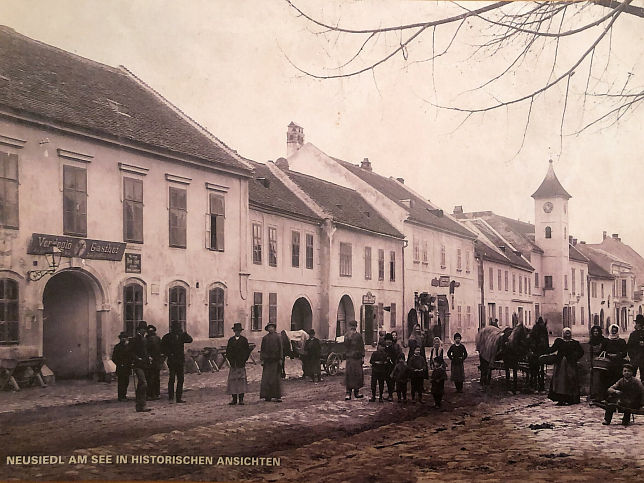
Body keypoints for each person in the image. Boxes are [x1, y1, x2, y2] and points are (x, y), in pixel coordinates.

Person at [544, 327, 584, 405]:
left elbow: (581, 352)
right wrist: (544, 348)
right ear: (563, 333)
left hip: (571, 364)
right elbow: (552, 349)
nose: (567, 334)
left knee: (571, 380)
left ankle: (571, 399)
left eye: (569, 332)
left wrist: (574, 357)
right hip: (561, 365)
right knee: (560, 382)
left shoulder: (574, 343)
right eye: (566, 332)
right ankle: (561, 399)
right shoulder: (559, 342)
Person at [161, 320, 193, 403]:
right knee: (172, 379)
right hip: (172, 361)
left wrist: (185, 333)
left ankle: (179, 398)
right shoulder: (167, 337)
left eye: (179, 328)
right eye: (177, 328)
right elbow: (163, 348)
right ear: (172, 329)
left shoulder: (182, 336)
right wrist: (169, 354)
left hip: (180, 360)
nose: (178, 329)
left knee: (181, 379)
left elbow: (190, 340)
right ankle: (171, 397)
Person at [226, 322, 251, 405]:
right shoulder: (231, 340)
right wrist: (231, 360)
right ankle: (234, 399)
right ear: (234, 331)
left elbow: (247, 351)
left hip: (241, 363)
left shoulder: (244, 340)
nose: (237, 332)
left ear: (240, 331)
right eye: (236, 330)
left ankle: (241, 399)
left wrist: (243, 360)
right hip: (233, 364)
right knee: (233, 381)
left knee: (241, 381)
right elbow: (228, 352)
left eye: (238, 331)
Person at [260, 321, 283, 402]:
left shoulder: (278, 337)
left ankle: (277, 396)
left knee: (276, 379)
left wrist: (280, 359)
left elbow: (281, 349)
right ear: (267, 329)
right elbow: (262, 349)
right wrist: (262, 359)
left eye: (272, 327)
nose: (271, 329)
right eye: (269, 327)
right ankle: (267, 395)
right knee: (267, 378)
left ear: (274, 328)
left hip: (275, 360)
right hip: (267, 361)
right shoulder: (265, 338)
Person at [131, 321, 151, 412]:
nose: (145, 331)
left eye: (145, 330)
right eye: (143, 329)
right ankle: (141, 404)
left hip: (145, 364)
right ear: (139, 329)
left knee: (141, 385)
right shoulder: (135, 339)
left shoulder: (144, 339)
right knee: (143, 383)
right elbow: (130, 352)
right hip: (138, 364)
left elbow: (145, 351)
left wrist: (148, 357)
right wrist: (137, 358)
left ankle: (140, 405)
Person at [600, 324, 628, 388]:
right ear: (610, 331)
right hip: (608, 362)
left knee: (618, 376)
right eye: (613, 331)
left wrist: (617, 355)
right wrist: (608, 355)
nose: (614, 332)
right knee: (608, 377)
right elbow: (602, 351)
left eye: (615, 331)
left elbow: (625, 352)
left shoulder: (621, 341)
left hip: (618, 362)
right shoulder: (606, 341)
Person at [344, 320, 365, 400]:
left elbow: (362, 346)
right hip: (350, 358)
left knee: (357, 375)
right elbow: (345, 346)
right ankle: (348, 393)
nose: (352, 328)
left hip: (357, 358)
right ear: (349, 327)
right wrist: (348, 338)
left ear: (356, 326)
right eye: (351, 326)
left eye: (354, 326)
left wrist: (362, 357)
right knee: (349, 375)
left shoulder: (359, 336)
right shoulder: (347, 335)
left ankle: (357, 392)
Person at [111, 332, 132, 402]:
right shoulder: (117, 347)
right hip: (120, 367)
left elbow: (130, 356)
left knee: (126, 382)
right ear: (120, 339)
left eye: (125, 337)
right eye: (122, 338)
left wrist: (131, 363)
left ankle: (124, 395)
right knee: (121, 382)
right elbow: (114, 358)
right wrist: (119, 364)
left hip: (127, 367)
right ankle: (121, 396)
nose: (123, 339)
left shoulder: (128, 347)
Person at [145, 325, 163, 401]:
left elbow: (161, 349)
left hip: (156, 360)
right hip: (149, 361)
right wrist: (148, 356)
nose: (151, 333)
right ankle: (150, 394)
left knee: (156, 377)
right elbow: (145, 350)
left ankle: (157, 393)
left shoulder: (158, 339)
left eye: (152, 331)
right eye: (150, 331)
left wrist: (161, 358)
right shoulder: (145, 340)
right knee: (149, 378)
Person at [589, 325, 606, 401]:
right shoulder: (591, 341)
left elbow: (605, 350)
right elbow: (590, 352)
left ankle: (601, 394)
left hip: (602, 360)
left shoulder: (603, 340)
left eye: (597, 331)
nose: (596, 333)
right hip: (594, 360)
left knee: (602, 378)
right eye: (594, 331)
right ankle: (594, 394)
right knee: (594, 378)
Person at [627, 314, 644, 379]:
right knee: (632, 374)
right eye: (638, 323)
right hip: (635, 357)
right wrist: (632, 356)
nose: (639, 325)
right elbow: (629, 346)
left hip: (643, 357)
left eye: (641, 324)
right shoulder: (633, 334)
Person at [383, 333, 397, 401]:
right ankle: (389, 394)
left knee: (391, 381)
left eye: (390, 340)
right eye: (387, 340)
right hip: (386, 367)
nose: (388, 341)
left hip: (392, 367)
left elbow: (395, 358)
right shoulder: (384, 348)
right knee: (387, 381)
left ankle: (391, 395)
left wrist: (390, 359)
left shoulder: (393, 348)